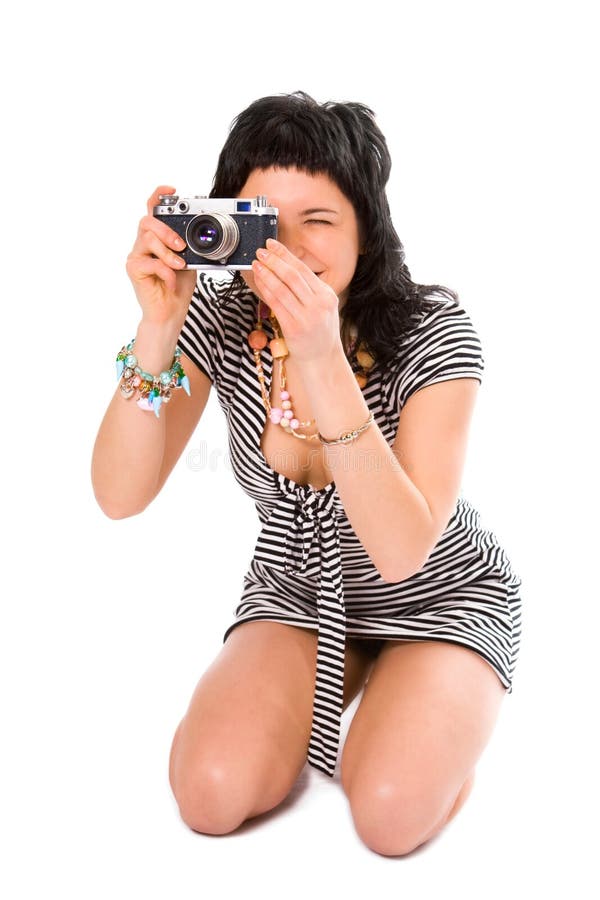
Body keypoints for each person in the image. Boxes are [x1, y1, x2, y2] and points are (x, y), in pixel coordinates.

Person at [91, 90, 523, 856]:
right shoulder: (220, 320)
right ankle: (359, 685)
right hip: (296, 588)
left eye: (318, 222)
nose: (286, 250)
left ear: (367, 231)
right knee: (209, 794)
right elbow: (119, 495)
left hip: (437, 590)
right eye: (262, 223)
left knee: (388, 815)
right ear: (224, 230)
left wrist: (323, 359)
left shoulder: (436, 330)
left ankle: (429, 715)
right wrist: (157, 326)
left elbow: (400, 551)